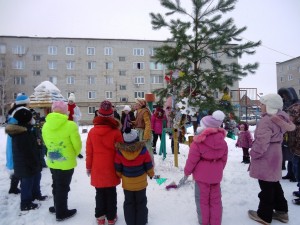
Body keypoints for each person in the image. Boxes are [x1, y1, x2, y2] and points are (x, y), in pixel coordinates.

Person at [248, 94, 295, 224]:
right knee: (274, 183)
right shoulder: (280, 118)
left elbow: (262, 143)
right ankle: (281, 212)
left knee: (266, 186)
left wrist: (253, 153)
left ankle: (264, 215)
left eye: (262, 104)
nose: (260, 106)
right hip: (275, 153)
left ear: (269, 106)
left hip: (266, 156)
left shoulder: (267, 120)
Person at [184, 110, 228, 225]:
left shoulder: (198, 142)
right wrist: (217, 169)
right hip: (216, 175)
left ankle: (204, 222)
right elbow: (224, 159)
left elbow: (192, 160)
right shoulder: (223, 142)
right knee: (216, 201)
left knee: (202, 201)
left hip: (201, 176)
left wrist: (187, 172)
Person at [5, 95, 47, 211]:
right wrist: (34, 159)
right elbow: (25, 151)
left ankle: (36, 195)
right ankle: (26, 203)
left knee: (36, 177)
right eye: (30, 118)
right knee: (27, 182)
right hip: (26, 163)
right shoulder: (21, 134)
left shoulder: (27, 130)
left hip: (32, 161)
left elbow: (32, 146)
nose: (32, 119)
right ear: (25, 120)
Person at [42, 101, 82, 221]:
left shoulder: (45, 125)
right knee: (63, 186)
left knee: (56, 184)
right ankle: (61, 212)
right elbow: (77, 145)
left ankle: (57, 206)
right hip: (66, 161)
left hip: (53, 159)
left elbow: (46, 143)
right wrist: (72, 155)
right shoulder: (70, 125)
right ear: (65, 111)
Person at [86, 100, 123, 225]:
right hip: (112, 168)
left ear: (99, 115)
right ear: (112, 116)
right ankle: (111, 218)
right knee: (111, 193)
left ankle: (100, 218)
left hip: (97, 169)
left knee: (99, 193)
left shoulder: (92, 132)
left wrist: (88, 167)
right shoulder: (116, 132)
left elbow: (89, 152)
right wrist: (121, 167)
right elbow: (120, 152)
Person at [115, 127, 154, 225]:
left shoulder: (120, 152)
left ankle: (130, 222)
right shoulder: (143, 150)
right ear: (136, 138)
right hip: (141, 184)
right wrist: (151, 174)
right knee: (141, 202)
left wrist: (119, 175)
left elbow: (118, 167)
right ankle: (141, 221)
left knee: (129, 202)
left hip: (127, 184)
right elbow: (148, 164)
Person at [286, 103, 300, 205]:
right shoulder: (294, 125)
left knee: (299, 172)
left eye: (291, 115)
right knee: (297, 172)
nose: (289, 117)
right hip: (296, 152)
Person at [67, 93, 83, 158]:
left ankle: (77, 151)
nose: (70, 102)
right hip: (66, 125)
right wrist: (66, 115)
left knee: (75, 138)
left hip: (74, 125)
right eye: (69, 101)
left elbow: (80, 116)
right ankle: (69, 151)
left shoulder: (76, 107)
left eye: (72, 101)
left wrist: (74, 116)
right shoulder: (65, 106)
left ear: (73, 101)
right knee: (68, 138)